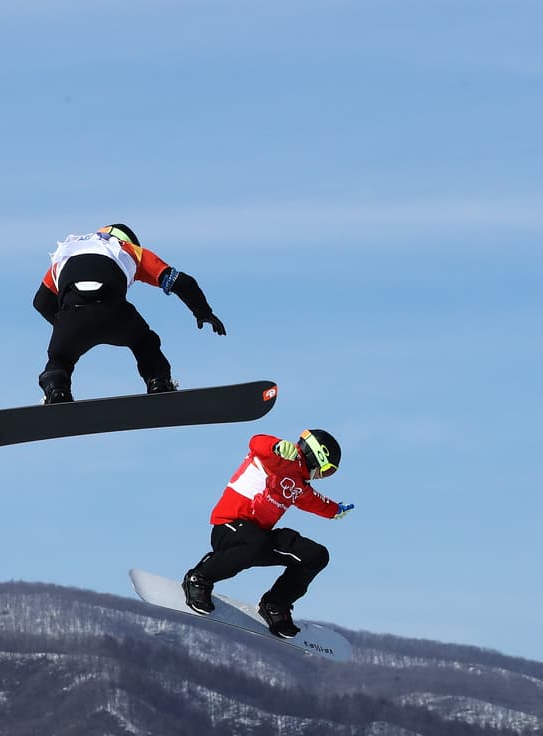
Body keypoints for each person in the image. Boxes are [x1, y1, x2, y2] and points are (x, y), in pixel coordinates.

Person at [181, 429, 355, 638]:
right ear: (314, 456)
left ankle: (275, 605)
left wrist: (335, 510)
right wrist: (278, 446)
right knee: (257, 544)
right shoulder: (277, 458)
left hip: (257, 539)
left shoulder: (298, 487)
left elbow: (314, 501)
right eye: (324, 471)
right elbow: (256, 442)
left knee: (315, 556)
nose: (320, 477)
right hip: (228, 528)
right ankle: (199, 578)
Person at [33, 223, 225, 403]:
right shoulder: (130, 249)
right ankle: (158, 381)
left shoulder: (66, 252)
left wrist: (66, 327)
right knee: (144, 341)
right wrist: (203, 312)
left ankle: (56, 387)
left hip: (72, 317)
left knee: (60, 358)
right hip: (114, 313)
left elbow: (41, 302)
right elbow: (183, 282)